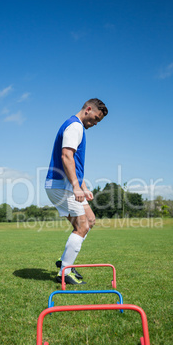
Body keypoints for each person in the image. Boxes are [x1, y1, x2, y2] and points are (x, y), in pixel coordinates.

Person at [45, 98, 108, 285]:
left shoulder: (77, 127)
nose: (95, 123)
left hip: (68, 185)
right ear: (88, 109)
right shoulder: (75, 126)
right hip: (61, 186)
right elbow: (66, 156)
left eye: (98, 121)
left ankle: (66, 262)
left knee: (89, 220)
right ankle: (65, 271)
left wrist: (83, 186)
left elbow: (76, 164)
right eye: (95, 118)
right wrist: (75, 186)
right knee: (82, 227)